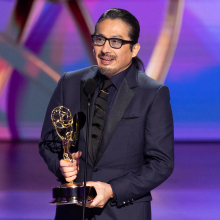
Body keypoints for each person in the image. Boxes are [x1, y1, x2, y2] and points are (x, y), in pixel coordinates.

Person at [39, 8, 174, 220]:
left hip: (124, 212)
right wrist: (62, 166)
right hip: (73, 212)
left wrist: (111, 190)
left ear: (134, 48)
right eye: (100, 39)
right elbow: (49, 143)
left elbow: (161, 163)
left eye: (116, 42)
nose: (105, 49)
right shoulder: (70, 83)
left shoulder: (153, 93)